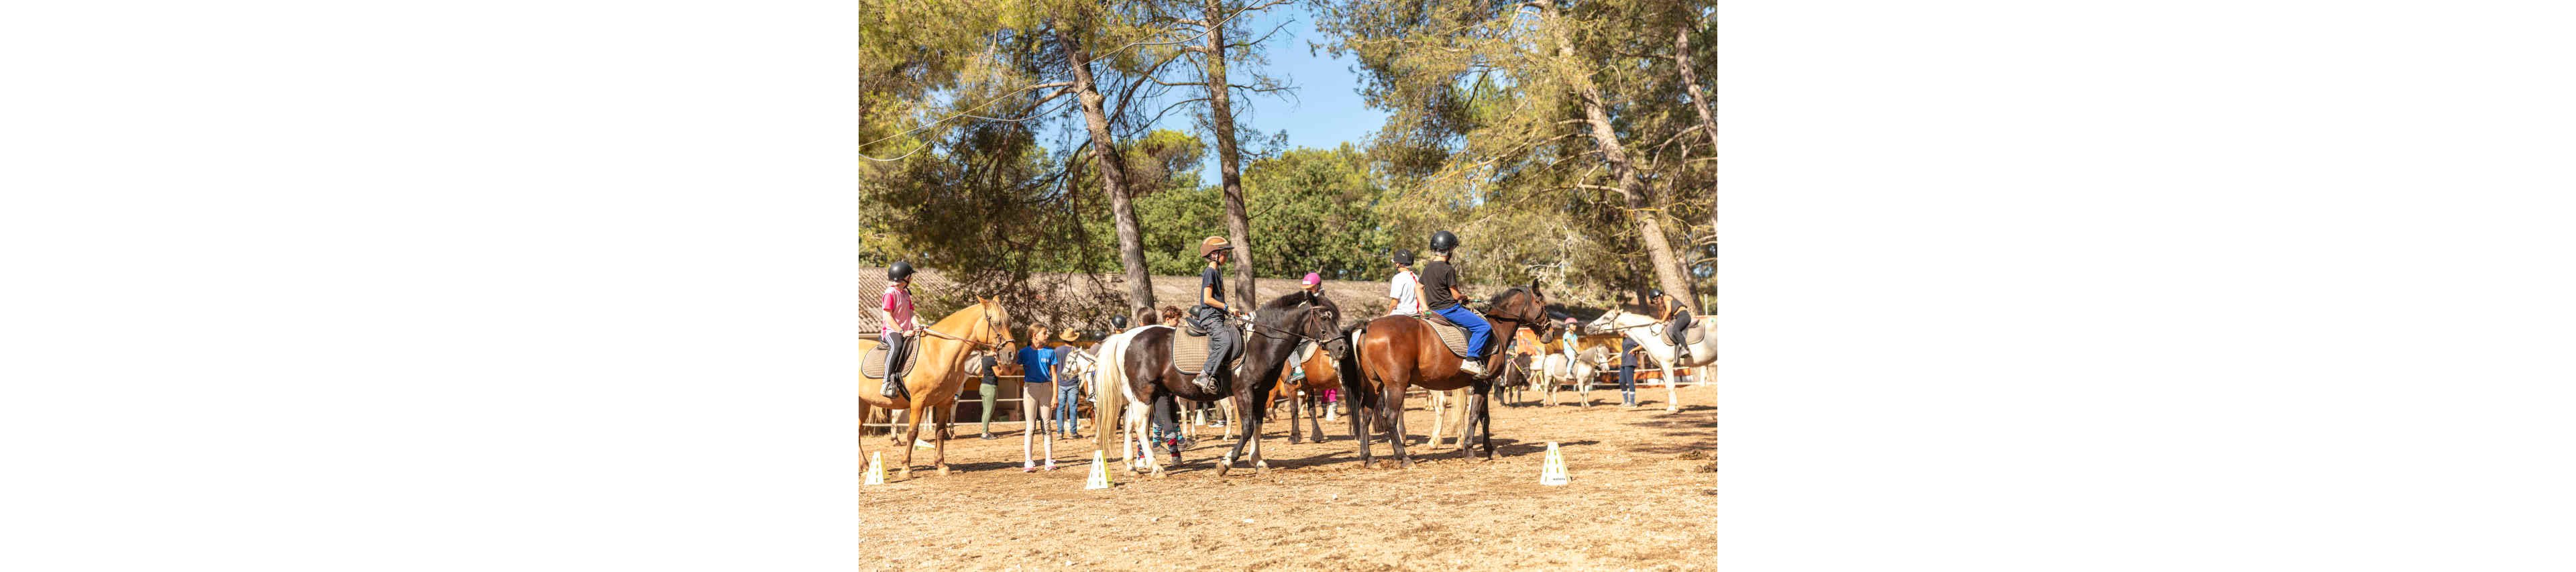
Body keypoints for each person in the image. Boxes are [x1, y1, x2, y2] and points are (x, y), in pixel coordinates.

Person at [1418, 231, 1495, 378]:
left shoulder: (1428, 268)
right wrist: (1464, 297)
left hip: (1434, 311)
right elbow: (1455, 296)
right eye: (1452, 249)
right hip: (1450, 310)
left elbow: (1418, 287)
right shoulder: (1448, 269)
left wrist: (1425, 308)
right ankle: (1471, 360)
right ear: (1448, 249)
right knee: (1484, 327)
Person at [1189, 236, 1238, 392]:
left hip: (1219, 316)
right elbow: (1207, 299)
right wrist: (1227, 307)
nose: (1227, 257)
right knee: (1225, 341)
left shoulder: (1217, 273)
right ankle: (1204, 375)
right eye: (1225, 253)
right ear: (1215, 254)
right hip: (1210, 317)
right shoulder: (1210, 272)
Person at [875, 262, 922, 398]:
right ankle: (886, 383)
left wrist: (917, 325)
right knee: (897, 346)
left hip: (908, 331)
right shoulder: (890, 293)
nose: (911, 278)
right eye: (910, 276)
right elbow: (887, 316)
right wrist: (901, 332)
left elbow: (911, 313)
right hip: (892, 332)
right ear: (902, 278)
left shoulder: (906, 294)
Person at [1017, 325, 1059, 471]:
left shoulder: (1050, 352)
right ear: (1035, 336)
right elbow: (1011, 369)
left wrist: (1055, 395)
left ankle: (1049, 460)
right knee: (1030, 426)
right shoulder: (1023, 353)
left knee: (1046, 425)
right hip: (1030, 389)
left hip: (1046, 388)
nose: (1047, 336)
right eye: (1044, 333)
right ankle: (1028, 461)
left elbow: (1054, 375)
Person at [1650, 288, 1696, 363]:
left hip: (1684, 315)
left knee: (1675, 330)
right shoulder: (1664, 304)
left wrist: (1662, 321)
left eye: (1656, 300)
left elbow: (1668, 310)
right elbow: (1669, 317)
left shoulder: (1666, 298)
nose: (1656, 302)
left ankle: (1685, 348)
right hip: (1679, 317)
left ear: (1659, 296)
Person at [1052, 329, 1081, 438]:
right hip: (1073, 382)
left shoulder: (1057, 350)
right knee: (1073, 408)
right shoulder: (1076, 351)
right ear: (1074, 339)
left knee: (1060, 408)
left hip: (1061, 383)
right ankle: (1073, 432)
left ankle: (1060, 432)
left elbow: (1053, 366)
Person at [1386, 249, 1421, 316]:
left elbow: (1394, 304)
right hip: (1417, 314)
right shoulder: (1416, 277)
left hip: (1401, 314)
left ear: (1397, 264)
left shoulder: (1398, 278)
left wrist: (1387, 314)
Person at [975, 351, 1001, 439]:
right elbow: (998, 374)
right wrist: (1001, 365)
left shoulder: (984, 360)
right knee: (989, 411)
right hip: (990, 387)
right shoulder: (992, 360)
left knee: (986, 411)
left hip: (983, 386)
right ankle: (984, 434)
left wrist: (985, 375)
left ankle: (985, 431)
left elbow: (978, 372)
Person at [1618, 337, 1642, 407]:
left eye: (1620, 331)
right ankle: (1625, 401)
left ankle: (1632, 402)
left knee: (1630, 381)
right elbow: (1623, 351)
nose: (1619, 333)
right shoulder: (1624, 339)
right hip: (1624, 362)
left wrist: (1633, 350)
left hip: (1630, 361)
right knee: (1621, 382)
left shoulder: (1633, 337)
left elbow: (1641, 346)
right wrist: (1612, 358)